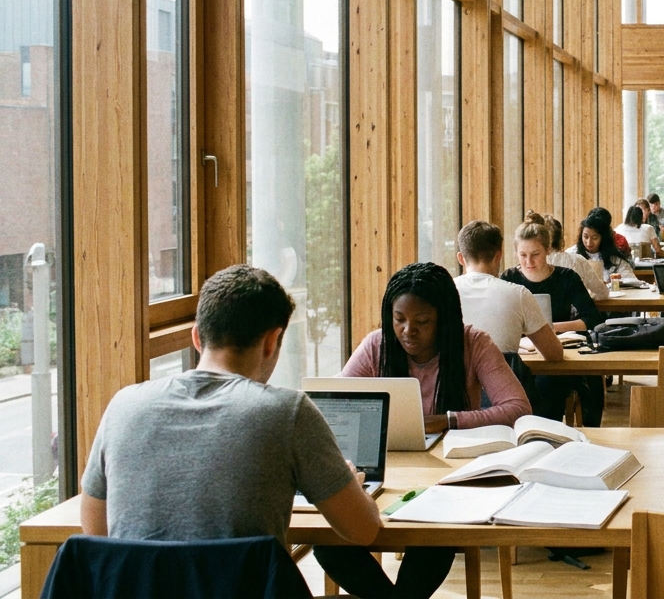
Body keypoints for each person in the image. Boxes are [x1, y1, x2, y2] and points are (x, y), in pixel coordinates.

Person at [81, 265, 380, 551]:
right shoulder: (289, 413)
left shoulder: (123, 405)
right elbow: (363, 530)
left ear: (197, 337)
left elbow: (96, 532)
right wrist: (352, 486)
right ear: (271, 341)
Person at [316, 262, 532, 598]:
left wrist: (448, 419)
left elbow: (518, 408)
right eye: (399, 319)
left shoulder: (473, 343)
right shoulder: (377, 345)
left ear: (443, 319)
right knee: (326, 540)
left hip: (451, 479)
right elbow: (338, 403)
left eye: (422, 322)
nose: (407, 331)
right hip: (386, 475)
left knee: (435, 537)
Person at [503, 221, 607, 425]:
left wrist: (551, 328)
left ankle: (545, 433)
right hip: (522, 356)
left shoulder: (566, 277)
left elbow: (592, 319)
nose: (529, 261)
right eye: (523, 255)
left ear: (548, 250)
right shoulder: (509, 278)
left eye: (535, 254)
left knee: (550, 384)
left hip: (558, 353)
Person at [454, 220, 563, 361]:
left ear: (461, 258)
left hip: (451, 382)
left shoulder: (443, 292)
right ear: (499, 255)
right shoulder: (518, 294)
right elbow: (554, 354)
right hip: (499, 381)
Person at [541, 213, 609, 300]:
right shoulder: (577, 260)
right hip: (573, 312)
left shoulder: (528, 265)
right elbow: (603, 293)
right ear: (561, 238)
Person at [572, 211, 636, 283]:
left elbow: (631, 279)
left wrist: (614, 282)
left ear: (603, 238)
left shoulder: (614, 259)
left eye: (595, 238)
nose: (589, 242)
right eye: (585, 237)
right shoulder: (572, 254)